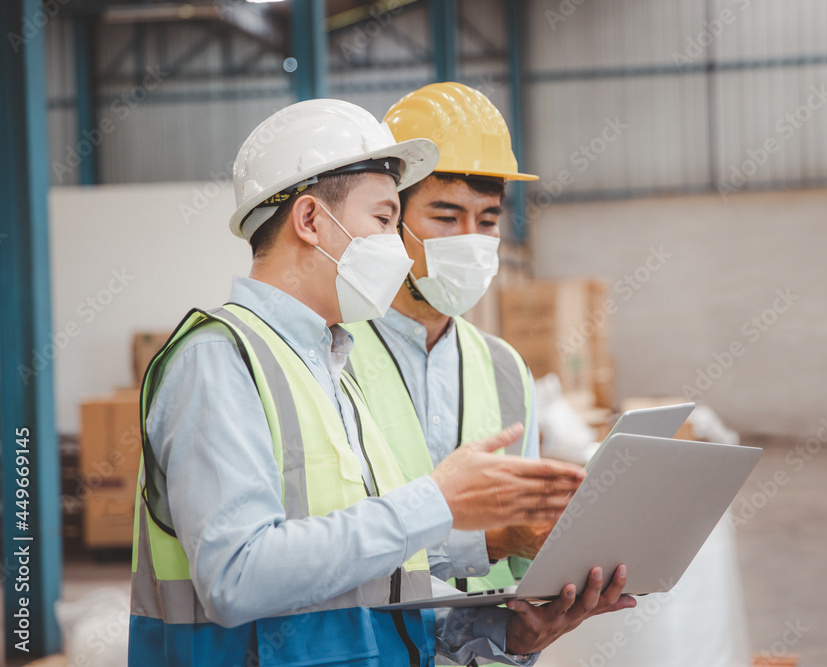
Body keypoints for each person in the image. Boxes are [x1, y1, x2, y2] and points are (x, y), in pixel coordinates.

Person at [129, 98, 633, 667]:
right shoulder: (220, 360)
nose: (398, 249)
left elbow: (370, 579)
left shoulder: (326, 366)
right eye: (387, 220)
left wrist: (502, 638)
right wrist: (438, 501)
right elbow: (235, 578)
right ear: (312, 220)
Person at [343, 83, 547, 606]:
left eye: (488, 220)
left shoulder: (505, 367)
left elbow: (526, 549)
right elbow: (333, 544)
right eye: (446, 217)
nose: (471, 240)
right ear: (391, 221)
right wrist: (488, 541)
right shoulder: (329, 354)